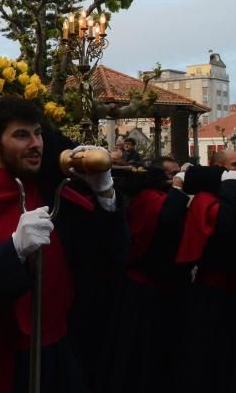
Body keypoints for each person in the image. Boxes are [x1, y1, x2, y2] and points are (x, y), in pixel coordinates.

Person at [0, 96, 127, 392]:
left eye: (37, 133)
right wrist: (13, 251)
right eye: (21, 135)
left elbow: (107, 254)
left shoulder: (50, 189)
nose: (35, 143)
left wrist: (105, 194)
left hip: (57, 350)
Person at [97, 159, 188, 393]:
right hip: (141, 287)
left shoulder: (152, 196)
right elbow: (167, 215)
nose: (175, 176)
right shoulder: (150, 198)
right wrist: (178, 185)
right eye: (171, 173)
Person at [174, 160, 236, 391]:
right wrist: (230, 188)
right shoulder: (205, 202)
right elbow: (226, 225)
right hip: (215, 291)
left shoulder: (210, 200)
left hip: (229, 287)